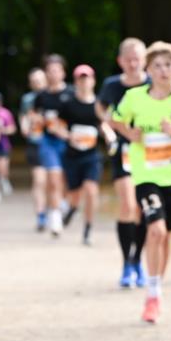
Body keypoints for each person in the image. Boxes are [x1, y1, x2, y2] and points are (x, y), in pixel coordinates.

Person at [113, 42, 171, 323]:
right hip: (146, 176)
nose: (163, 70)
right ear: (147, 70)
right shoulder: (134, 97)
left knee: (167, 234)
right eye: (156, 65)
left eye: (168, 64)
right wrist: (130, 134)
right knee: (156, 230)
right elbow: (116, 120)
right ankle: (152, 295)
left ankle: (157, 286)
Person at [97, 37, 149, 287]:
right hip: (124, 151)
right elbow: (101, 110)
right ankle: (126, 264)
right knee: (128, 205)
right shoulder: (111, 85)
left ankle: (137, 259)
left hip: (151, 153)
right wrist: (108, 128)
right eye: (128, 59)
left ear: (144, 60)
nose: (132, 63)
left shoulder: (153, 84)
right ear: (120, 61)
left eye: (137, 58)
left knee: (141, 209)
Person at [54, 64, 116, 245]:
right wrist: (68, 135)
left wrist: (109, 136)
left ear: (93, 81)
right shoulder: (68, 104)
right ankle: (72, 209)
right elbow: (57, 126)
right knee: (74, 194)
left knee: (90, 190)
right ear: (75, 82)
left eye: (87, 78)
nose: (84, 82)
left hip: (91, 155)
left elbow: (104, 125)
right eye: (80, 79)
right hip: (72, 155)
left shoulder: (98, 105)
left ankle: (87, 229)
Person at [31, 55, 73, 237]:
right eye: (50, 71)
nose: (53, 74)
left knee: (65, 180)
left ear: (63, 72)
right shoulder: (42, 96)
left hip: (68, 142)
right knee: (53, 178)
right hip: (48, 143)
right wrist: (38, 121)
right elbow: (33, 115)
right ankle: (55, 218)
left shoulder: (71, 93)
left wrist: (64, 129)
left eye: (57, 70)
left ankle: (62, 205)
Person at [19, 67, 48, 230]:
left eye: (40, 80)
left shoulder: (53, 97)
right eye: (34, 81)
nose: (37, 83)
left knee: (53, 181)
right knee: (39, 180)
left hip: (53, 144)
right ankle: (40, 214)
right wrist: (24, 126)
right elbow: (24, 117)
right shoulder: (27, 99)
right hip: (35, 143)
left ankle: (55, 209)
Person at [0, 91, 17, 197]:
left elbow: (12, 128)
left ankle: (4, 179)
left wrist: (3, 130)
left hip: (4, 143)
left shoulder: (5, 113)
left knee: (3, 167)